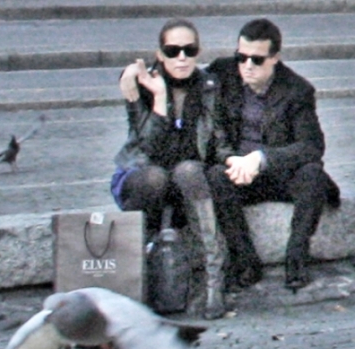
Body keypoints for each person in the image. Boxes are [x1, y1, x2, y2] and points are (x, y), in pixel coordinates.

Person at [206, 18, 340, 292]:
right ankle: (246, 261)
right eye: (241, 57)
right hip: (237, 171)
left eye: (257, 59)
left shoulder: (297, 90)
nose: (247, 66)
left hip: (278, 173)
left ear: (275, 58)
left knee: (312, 173)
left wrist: (261, 158)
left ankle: (297, 257)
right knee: (215, 177)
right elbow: (183, 79)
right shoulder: (222, 73)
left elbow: (311, 146)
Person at [111, 18, 225, 318]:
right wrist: (160, 98)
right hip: (144, 177)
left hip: (186, 176)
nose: (182, 57)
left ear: (199, 52)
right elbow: (147, 148)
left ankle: (213, 280)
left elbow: (214, 141)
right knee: (155, 177)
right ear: (160, 54)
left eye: (190, 50)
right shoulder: (141, 87)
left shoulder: (208, 88)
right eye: (173, 50)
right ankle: (140, 280)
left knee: (188, 170)